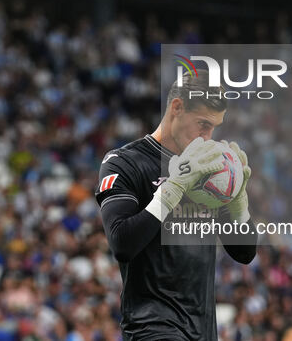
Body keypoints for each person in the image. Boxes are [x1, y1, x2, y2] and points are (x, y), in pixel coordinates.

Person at [95, 69, 257, 340]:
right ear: (177, 107)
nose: (207, 136)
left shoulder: (209, 168)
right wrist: (174, 187)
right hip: (153, 327)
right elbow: (122, 243)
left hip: (203, 330)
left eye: (214, 127)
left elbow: (244, 253)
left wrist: (239, 203)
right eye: (203, 124)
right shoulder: (125, 162)